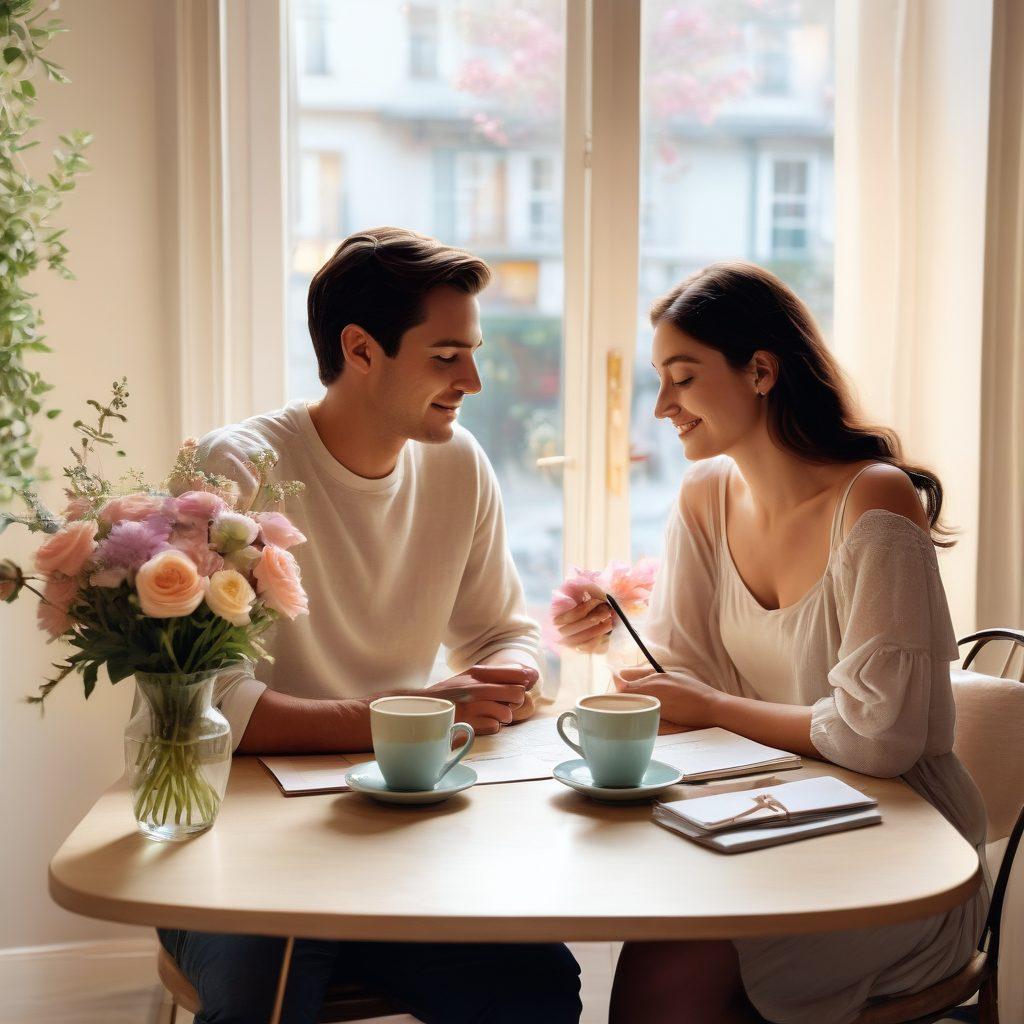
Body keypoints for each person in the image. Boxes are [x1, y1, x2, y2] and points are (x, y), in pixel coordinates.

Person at [158, 227, 581, 1024]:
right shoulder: (235, 469)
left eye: (473, 351)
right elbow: (201, 706)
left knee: (539, 985)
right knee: (267, 990)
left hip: (399, 836)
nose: (475, 380)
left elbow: (501, 630)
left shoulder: (458, 463)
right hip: (246, 843)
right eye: (446, 355)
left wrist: (509, 677)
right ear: (360, 349)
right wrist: (410, 717)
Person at [555, 261, 988, 1024]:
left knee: (674, 964)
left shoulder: (875, 499)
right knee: (655, 929)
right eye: (660, 379)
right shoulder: (704, 497)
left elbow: (878, 739)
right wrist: (612, 648)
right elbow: (681, 681)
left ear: (760, 370)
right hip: (774, 811)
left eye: (682, 378)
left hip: (903, 851)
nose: (660, 407)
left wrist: (710, 702)